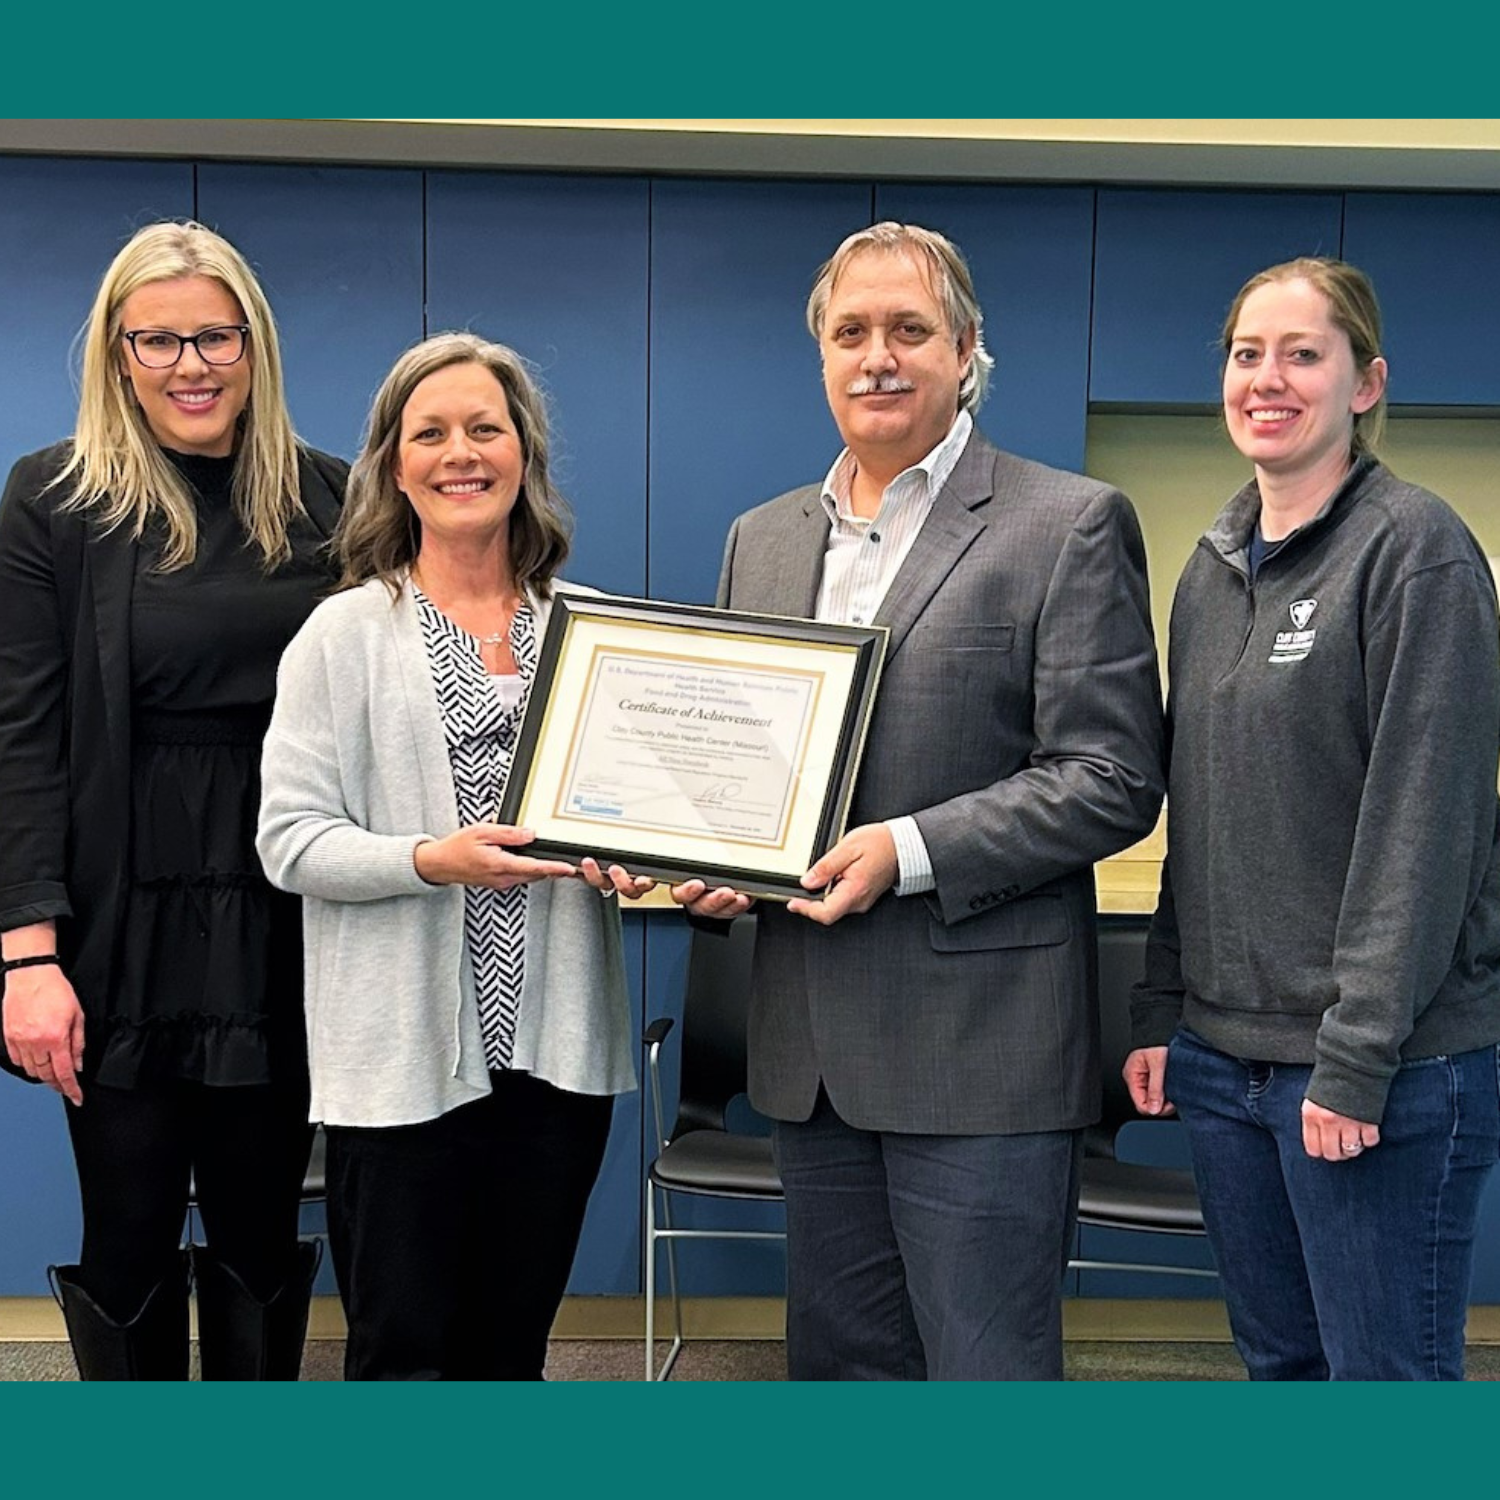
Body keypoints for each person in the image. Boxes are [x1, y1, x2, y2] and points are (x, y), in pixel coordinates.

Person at [672, 222, 1164, 1380]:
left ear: (967, 350)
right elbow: (746, 768)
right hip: (810, 1054)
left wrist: (907, 846)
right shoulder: (765, 536)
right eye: (851, 333)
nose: (878, 357)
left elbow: (1110, 780)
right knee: (842, 1373)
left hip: (981, 1057)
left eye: (909, 330)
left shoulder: (1066, 525)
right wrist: (706, 858)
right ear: (822, 356)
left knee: (986, 1376)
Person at [1126, 257, 1500, 1380]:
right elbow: (1201, 815)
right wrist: (1161, 1001)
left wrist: (1355, 1056)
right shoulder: (1210, 568)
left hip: (1373, 1071)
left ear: (1366, 383)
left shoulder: (1416, 553)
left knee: (1381, 1386)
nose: (1268, 379)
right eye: (1249, 354)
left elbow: (1421, 832)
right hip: (1225, 1059)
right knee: (1281, 1371)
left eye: (1303, 354)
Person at [0, 221, 347, 1379]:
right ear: (116, 353)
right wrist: (25, 957)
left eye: (214, 335)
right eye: (157, 340)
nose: (189, 365)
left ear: (255, 346)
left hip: (281, 914)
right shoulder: (53, 500)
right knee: (129, 1229)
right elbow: (23, 738)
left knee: (260, 1228)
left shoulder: (330, 499)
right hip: (116, 925)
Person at [256, 332, 637, 1380]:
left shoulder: (597, 628)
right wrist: (431, 860)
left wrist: (647, 861)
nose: (460, 452)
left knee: (509, 1351)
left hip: (557, 1058)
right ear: (393, 462)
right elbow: (288, 842)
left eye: (486, 427)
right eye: (430, 432)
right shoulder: (341, 637)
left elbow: (637, 823)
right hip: (398, 1066)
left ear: (524, 453)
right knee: (401, 1353)